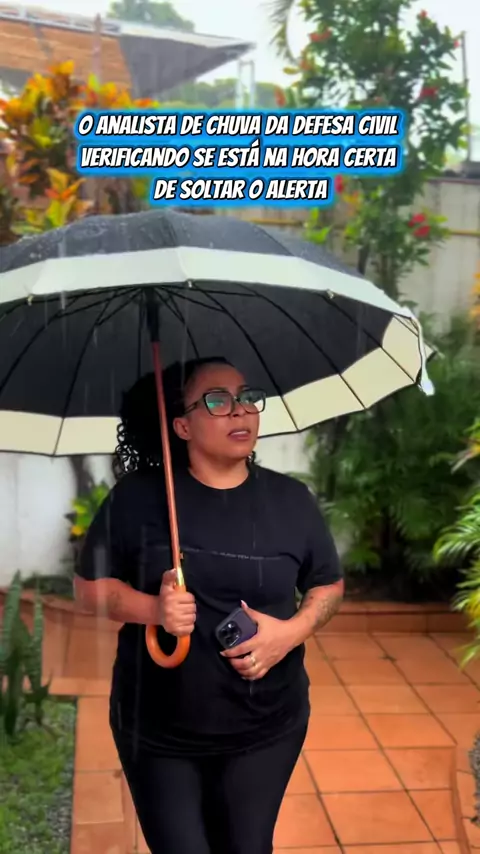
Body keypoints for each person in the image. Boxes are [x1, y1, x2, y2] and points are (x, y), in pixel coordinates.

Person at [74, 357, 344, 854]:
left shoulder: (291, 501)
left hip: (266, 725)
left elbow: (328, 586)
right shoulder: (139, 499)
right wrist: (153, 610)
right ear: (182, 426)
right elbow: (88, 588)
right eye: (217, 401)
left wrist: (290, 633)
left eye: (247, 397)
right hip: (157, 730)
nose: (239, 411)